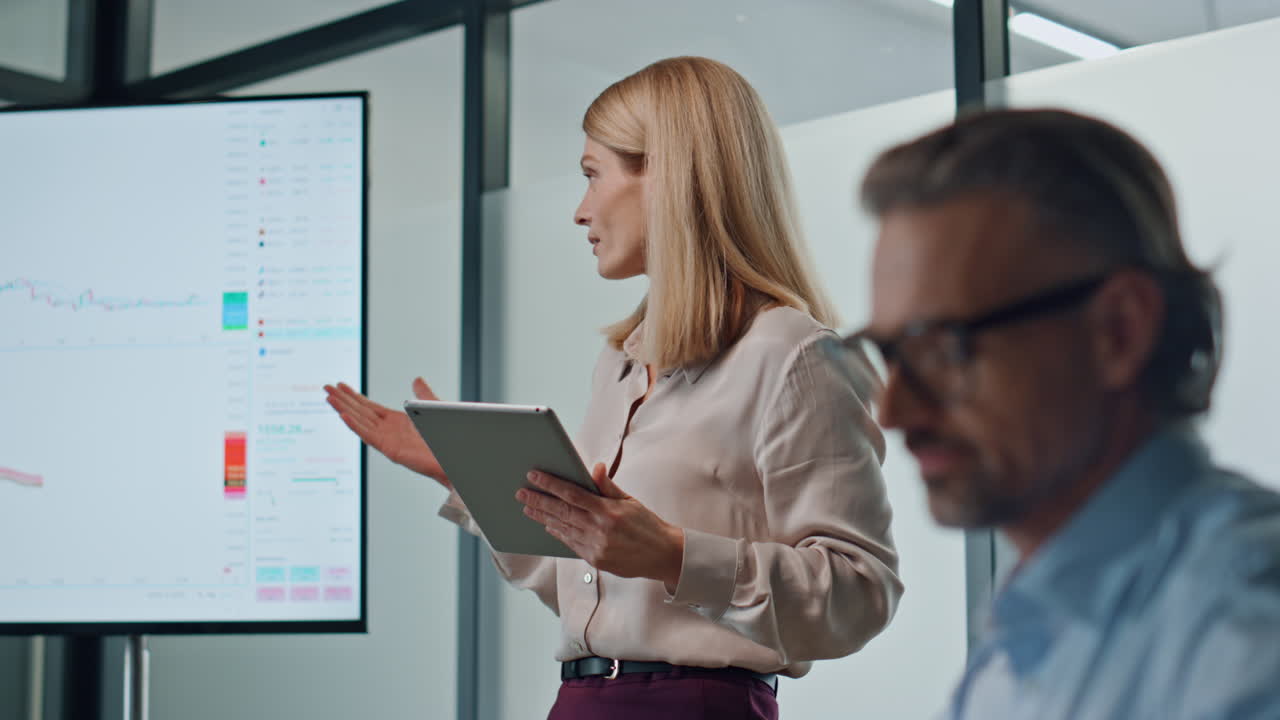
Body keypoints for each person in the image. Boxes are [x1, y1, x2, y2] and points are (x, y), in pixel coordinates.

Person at [325, 56, 902, 720]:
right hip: (581, 699)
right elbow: (582, 581)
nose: (581, 211)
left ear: (665, 174)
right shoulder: (621, 363)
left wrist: (674, 556)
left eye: (592, 175)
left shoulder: (792, 354)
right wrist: (461, 473)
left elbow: (860, 594)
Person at [842, 108, 1280, 719]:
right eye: (889, 354)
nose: (893, 411)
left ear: (1119, 331)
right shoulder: (1028, 637)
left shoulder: (1242, 636)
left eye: (942, 349)